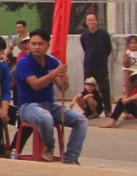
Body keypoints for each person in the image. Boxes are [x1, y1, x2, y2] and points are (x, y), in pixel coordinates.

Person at [15, 29, 87, 164]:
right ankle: (49, 145)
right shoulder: (24, 62)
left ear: (48, 45)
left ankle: (71, 157)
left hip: (49, 104)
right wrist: (54, 73)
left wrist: (65, 80)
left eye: (40, 44)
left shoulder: (53, 62)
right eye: (33, 44)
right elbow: (35, 84)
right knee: (45, 117)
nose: (36, 47)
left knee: (81, 120)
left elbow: (63, 88)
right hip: (28, 106)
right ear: (28, 45)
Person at [80, 12, 113, 101]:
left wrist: (102, 58)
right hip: (88, 66)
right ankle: (90, 111)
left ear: (97, 21)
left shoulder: (104, 34)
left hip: (101, 66)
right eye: (89, 20)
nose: (91, 22)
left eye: (92, 20)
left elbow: (108, 48)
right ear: (86, 22)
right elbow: (85, 48)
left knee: (104, 88)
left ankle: (107, 109)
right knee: (88, 89)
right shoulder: (84, 36)